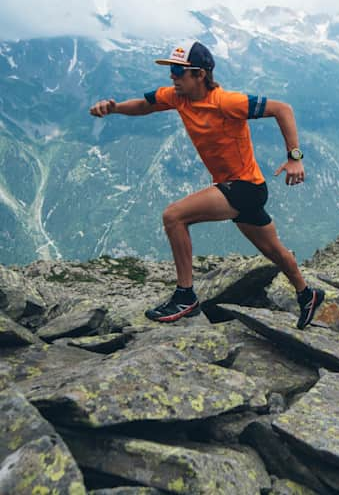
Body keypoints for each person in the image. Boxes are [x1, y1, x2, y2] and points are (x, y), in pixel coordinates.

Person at [90, 40, 324, 329]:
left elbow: (283, 109)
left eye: (178, 70)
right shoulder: (178, 97)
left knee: (174, 216)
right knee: (274, 251)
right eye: (171, 70)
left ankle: (185, 296)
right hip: (241, 188)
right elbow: (144, 105)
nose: (172, 76)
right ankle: (307, 294)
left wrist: (295, 157)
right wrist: (114, 109)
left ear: (200, 74)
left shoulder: (226, 102)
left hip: (244, 187)